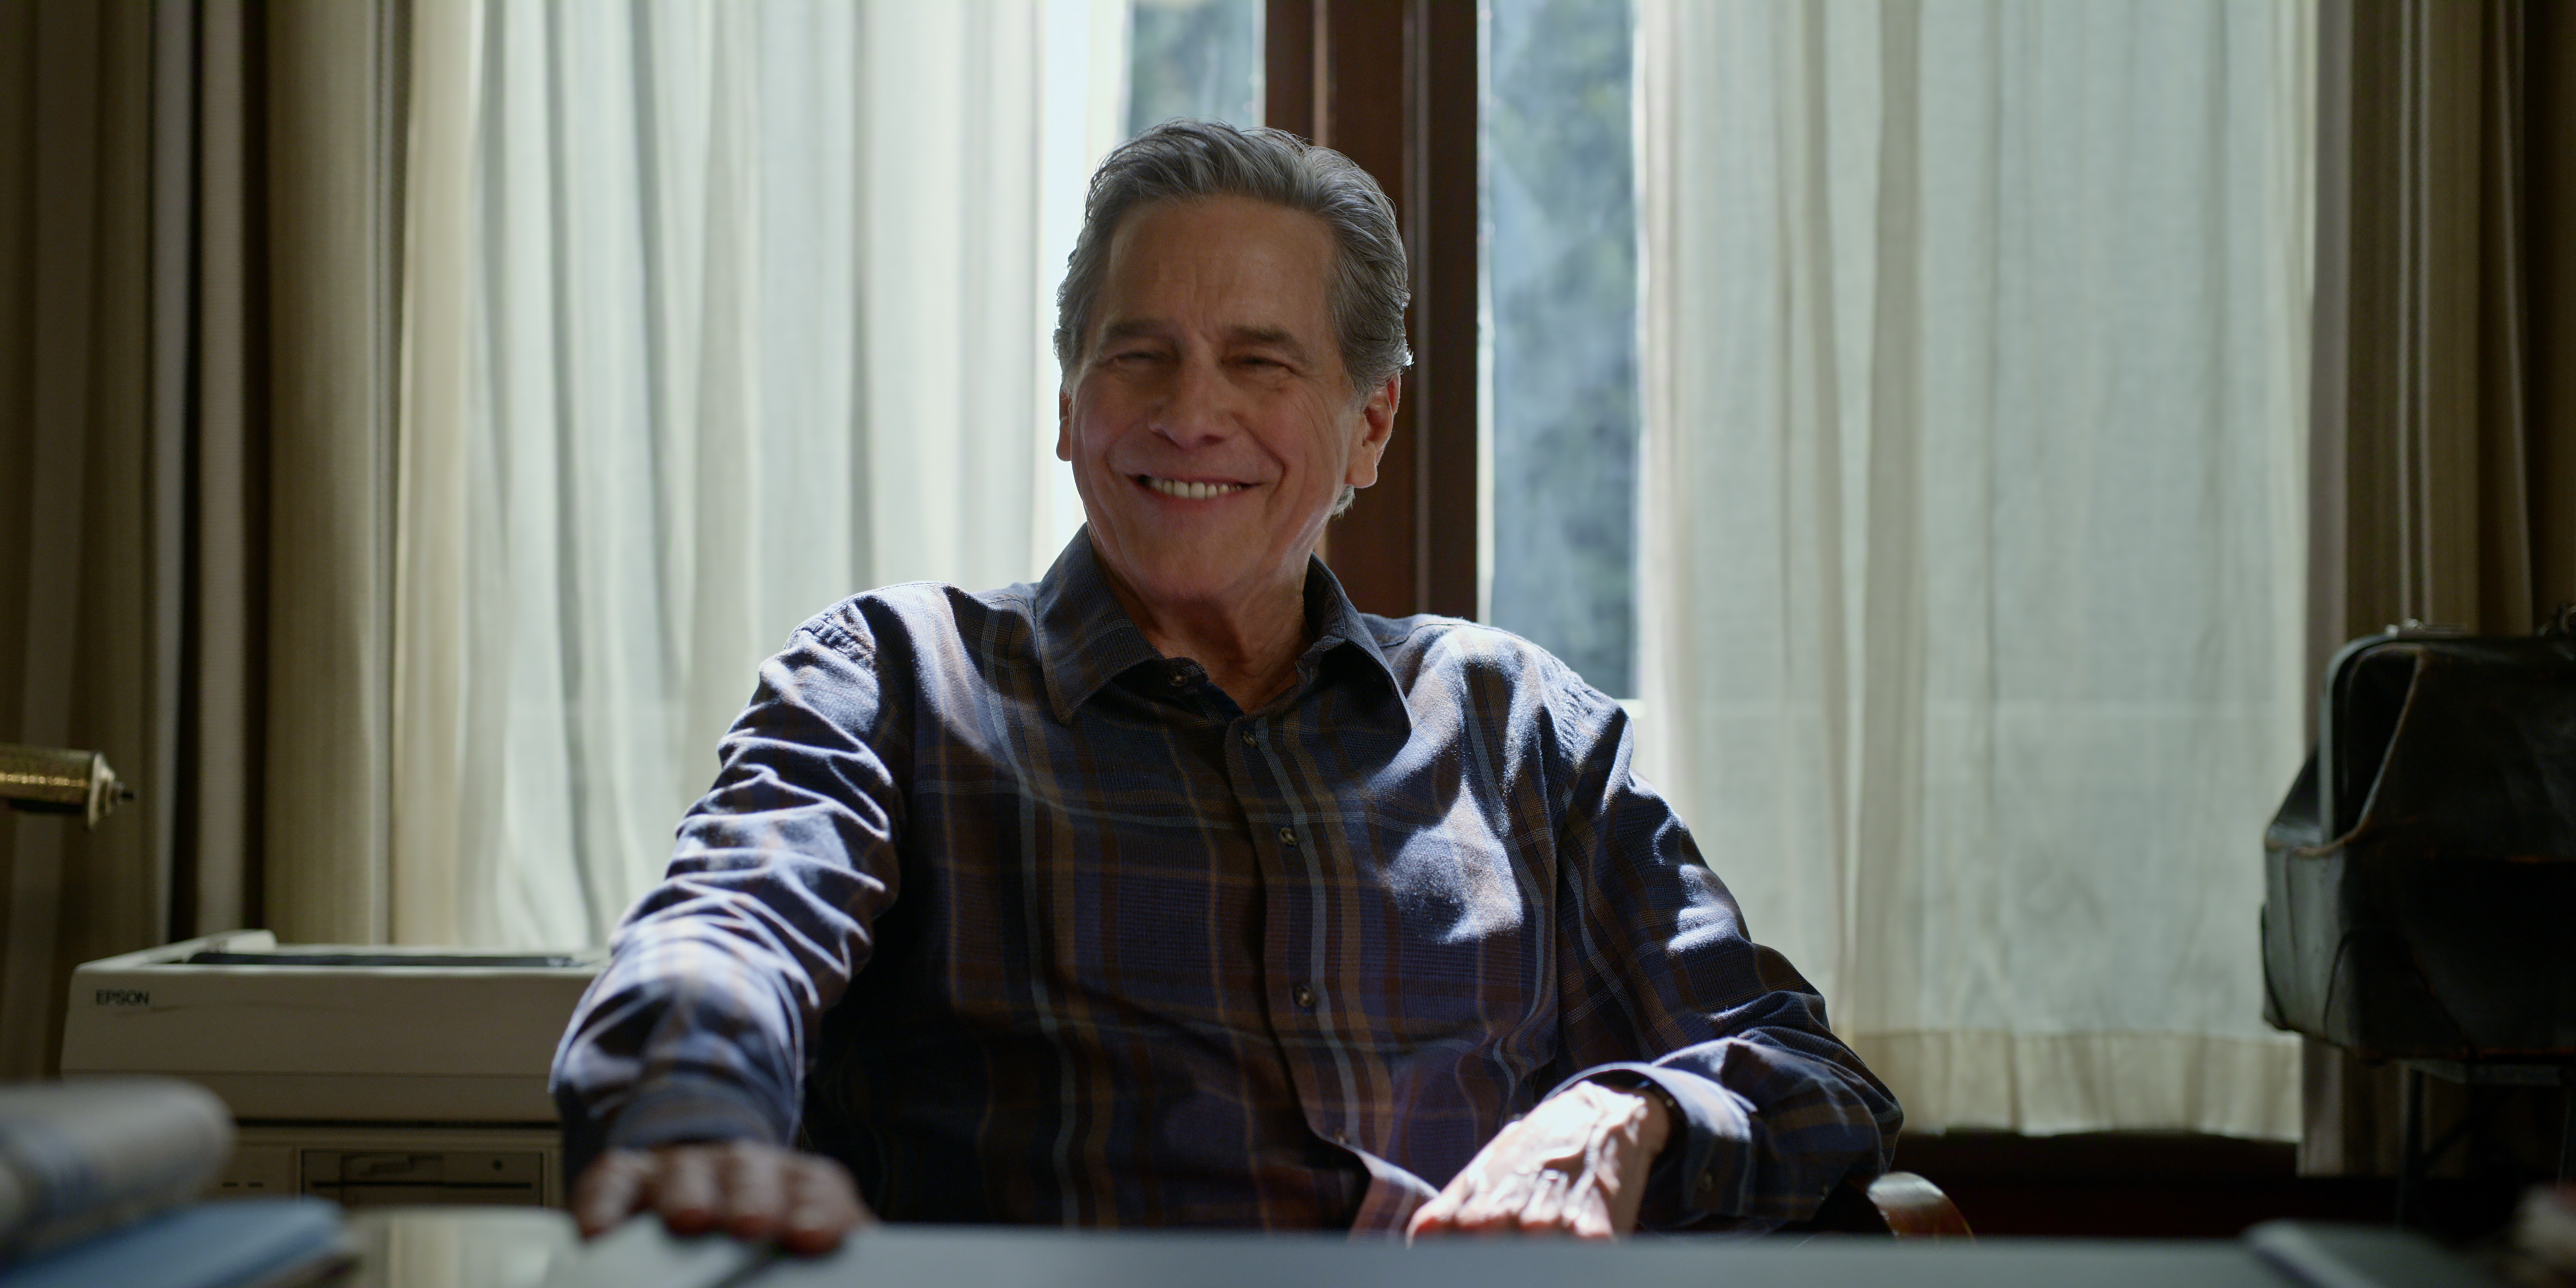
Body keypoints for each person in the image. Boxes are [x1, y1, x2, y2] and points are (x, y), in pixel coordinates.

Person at [551, 119, 1899, 1250]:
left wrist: (1625, 1117)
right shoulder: (898, 678)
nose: (1191, 413)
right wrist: (689, 1124)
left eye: (1261, 362)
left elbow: (1798, 1068)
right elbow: (726, 937)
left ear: (1368, 425)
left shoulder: (1521, 728)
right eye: (1139, 355)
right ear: (1070, 401)